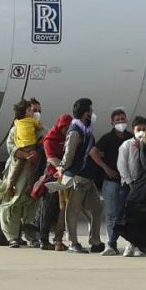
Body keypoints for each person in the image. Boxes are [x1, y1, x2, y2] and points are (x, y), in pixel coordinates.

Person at [61, 98, 109, 254]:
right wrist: (63, 169)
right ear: (85, 113)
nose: (92, 113)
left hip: (88, 177)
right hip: (78, 177)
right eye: (90, 110)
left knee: (97, 208)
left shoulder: (86, 129)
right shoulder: (76, 131)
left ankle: (95, 241)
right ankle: (73, 242)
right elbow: (69, 154)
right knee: (73, 210)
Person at [0, 99, 44, 248]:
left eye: (38, 111)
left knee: (33, 203)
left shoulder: (42, 130)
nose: (36, 114)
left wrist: (36, 153)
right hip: (18, 173)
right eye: (33, 110)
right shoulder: (15, 130)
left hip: (35, 173)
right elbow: (11, 147)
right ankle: (13, 237)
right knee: (13, 204)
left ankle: (30, 235)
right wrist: (24, 155)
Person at [116, 116, 146, 257]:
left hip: (145, 186)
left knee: (143, 216)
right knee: (129, 216)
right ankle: (129, 244)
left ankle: (139, 244)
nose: (141, 132)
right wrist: (129, 182)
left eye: (144, 129)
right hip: (130, 185)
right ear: (133, 130)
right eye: (138, 129)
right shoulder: (127, 145)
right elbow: (122, 165)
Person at [95, 108, 131, 255]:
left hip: (128, 181)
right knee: (112, 213)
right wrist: (105, 168)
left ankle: (131, 244)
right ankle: (111, 243)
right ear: (112, 122)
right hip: (111, 181)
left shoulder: (131, 137)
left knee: (128, 213)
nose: (121, 122)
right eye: (118, 120)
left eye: (123, 119)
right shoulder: (107, 138)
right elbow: (93, 152)